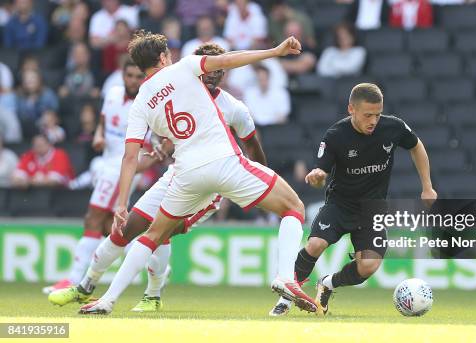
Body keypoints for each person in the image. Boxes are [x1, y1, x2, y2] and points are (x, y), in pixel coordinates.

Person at [78, 31, 315, 315]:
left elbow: (130, 157)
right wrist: (274, 52)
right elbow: (228, 59)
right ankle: (286, 278)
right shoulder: (185, 67)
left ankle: (108, 300)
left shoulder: (140, 101)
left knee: (152, 235)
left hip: (186, 173)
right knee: (294, 208)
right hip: (224, 162)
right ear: (164, 57)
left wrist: (120, 204)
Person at [49, 42, 268, 312]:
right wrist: (163, 146)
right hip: (177, 173)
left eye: (219, 67)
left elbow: (252, 146)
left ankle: (152, 295)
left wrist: (263, 184)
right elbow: (170, 132)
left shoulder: (234, 108)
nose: (213, 72)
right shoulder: (175, 89)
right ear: (198, 66)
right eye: (209, 65)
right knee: (126, 228)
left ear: (223, 72)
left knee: (159, 231)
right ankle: (85, 286)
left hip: (209, 185)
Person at [268, 83, 437, 316]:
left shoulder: (393, 127)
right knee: (316, 244)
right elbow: (321, 170)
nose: (374, 121)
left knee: (368, 266)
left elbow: (416, 146)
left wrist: (427, 186)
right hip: (340, 205)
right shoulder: (336, 135)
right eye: (368, 115)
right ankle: (286, 299)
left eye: (377, 115)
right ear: (351, 109)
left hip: (372, 210)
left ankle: (327, 284)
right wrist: (318, 177)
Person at [42, 59, 147, 294]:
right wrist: (99, 136)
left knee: (93, 216)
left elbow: (152, 144)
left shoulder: (147, 104)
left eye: (138, 77)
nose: (133, 81)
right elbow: (102, 122)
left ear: (145, 78)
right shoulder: (112, 93)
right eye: (129, 75)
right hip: (108, 163)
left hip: (123, 169)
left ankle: (72, 280)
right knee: (109, 225)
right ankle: (152, 263)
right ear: (122, 75)